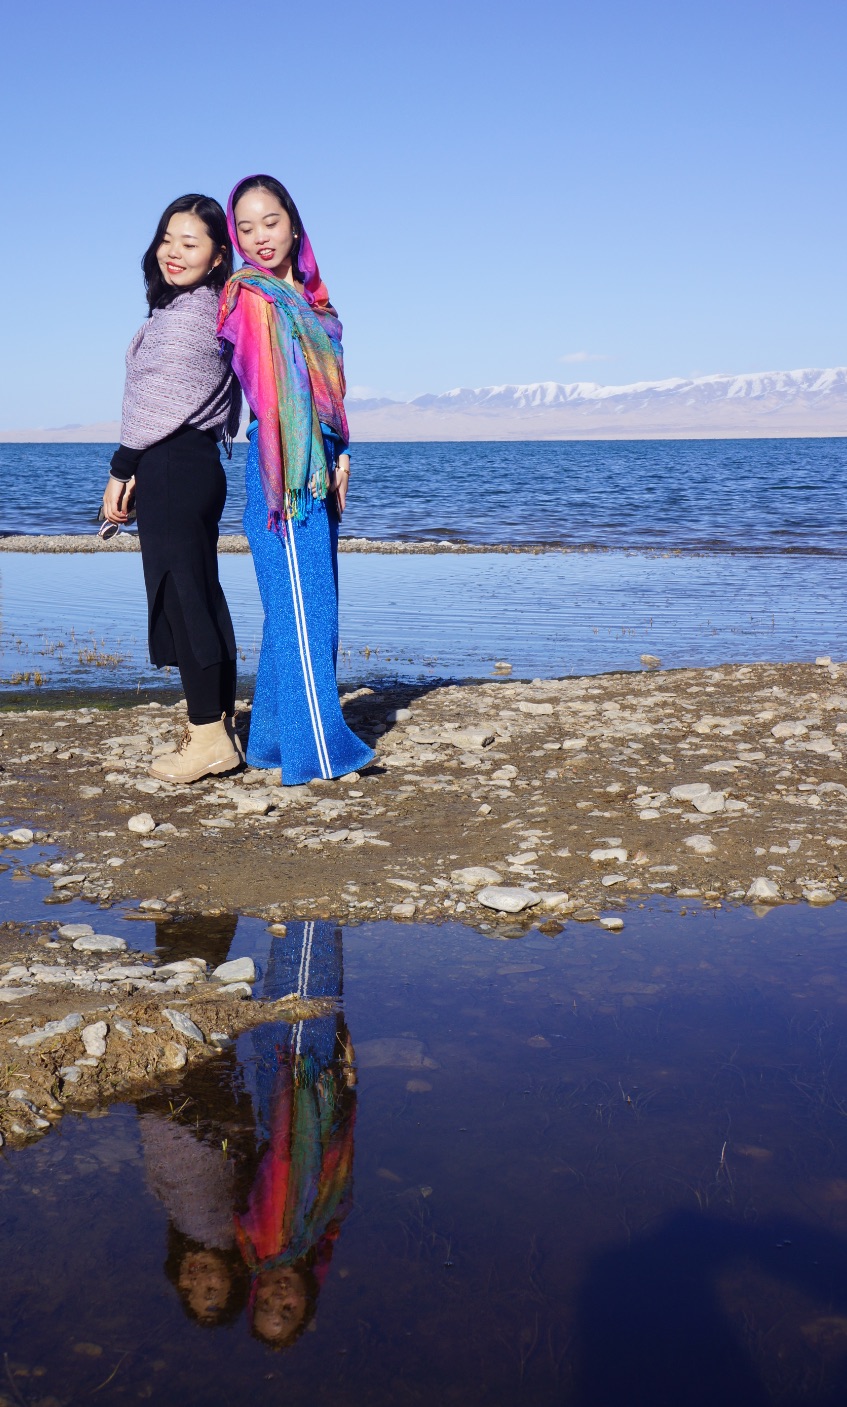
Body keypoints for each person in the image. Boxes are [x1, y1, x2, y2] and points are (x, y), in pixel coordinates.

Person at [218, 175, 374, 785]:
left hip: (320, 463)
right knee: (308, 611)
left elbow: (327, 391)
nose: (260, 237)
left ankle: (273, 743)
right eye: (246, 227)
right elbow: (270, 394)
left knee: (295, 607)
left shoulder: (315, 301)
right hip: (279, 467)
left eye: (271, 222)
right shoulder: (248, 296)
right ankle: (320, 752)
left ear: (294, 223)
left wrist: (340, 451)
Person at [103, 194, 243, 784]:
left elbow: (156, 403)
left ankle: (209, 736)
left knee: (183, 596)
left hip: (174, 464)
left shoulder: (193, 315)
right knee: (198, 593)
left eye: (191, 243)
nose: (173, 252)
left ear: (216, 257)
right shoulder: (189, 308)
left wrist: (121, 468)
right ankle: (216, 728)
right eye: (168, 238)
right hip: (186, 465)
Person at [235, 920, 357, 1347]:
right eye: (289, 1311)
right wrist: (345, 1083)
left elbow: (286, 1157)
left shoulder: (269, 1244)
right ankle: (312, 909)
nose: (279, 1298)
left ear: (256, 1294)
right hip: (310, 1096)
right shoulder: (316, 1235)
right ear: (308, 1301)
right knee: (309, 994)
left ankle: (310, 907)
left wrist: (303, 1093)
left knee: (301, 997)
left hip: (292, 1094)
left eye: (267, 1306)